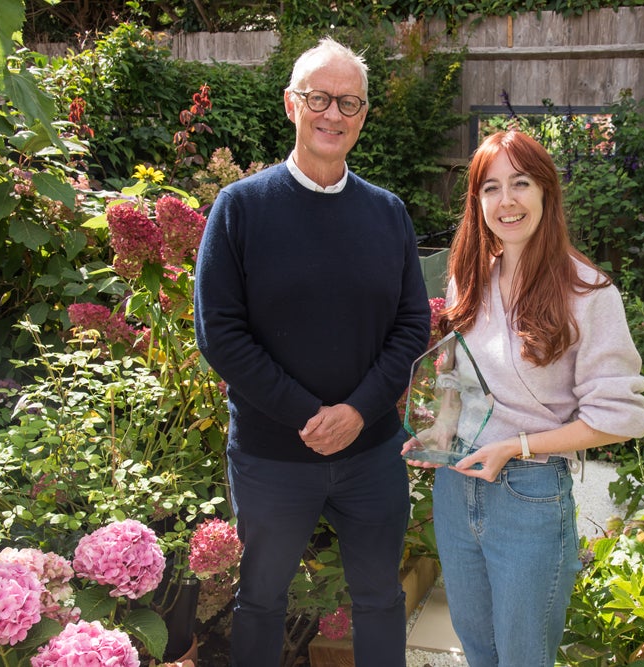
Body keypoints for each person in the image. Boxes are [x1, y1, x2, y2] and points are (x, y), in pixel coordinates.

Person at [193, 38, 431, 667]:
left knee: (380, 597)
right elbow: (220, 334)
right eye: (319, 98)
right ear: (291, 104)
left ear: (363, 114)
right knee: (262, 598)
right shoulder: (240, 209)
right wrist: (307, 413)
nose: (334, 113)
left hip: (373, 453)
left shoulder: (388, 214)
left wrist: (357, 411)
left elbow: (412, 326)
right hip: (273, 456)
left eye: (349, 101)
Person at [403, 129, 644, 667]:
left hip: (529, 496)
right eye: (490, 188)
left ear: (545, 192)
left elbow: (622, 418)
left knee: (522, 656)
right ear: (477, 202)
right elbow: (455, 373)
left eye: (520, 183)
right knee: (476, 647)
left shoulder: (588, 292)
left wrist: (514, 446)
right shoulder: (469, 279)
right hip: (456, 487)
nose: (506, 200)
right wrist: (444, 425)